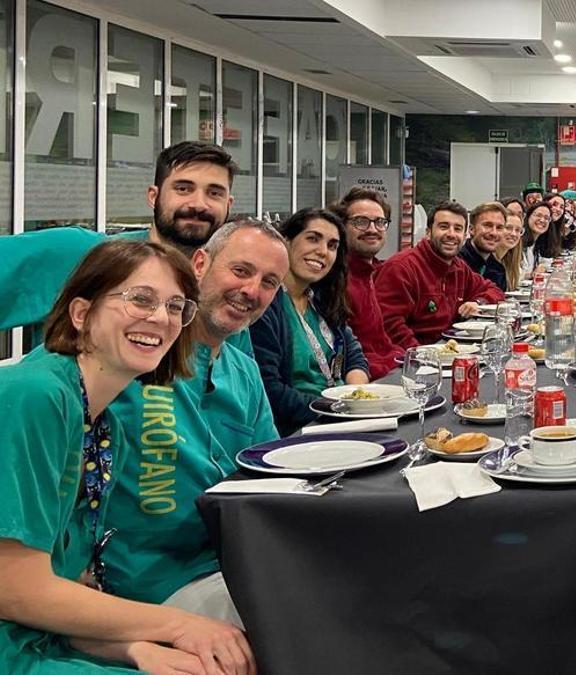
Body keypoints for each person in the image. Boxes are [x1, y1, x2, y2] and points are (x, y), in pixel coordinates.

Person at [0, 239, 257, 674]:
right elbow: (15, 590)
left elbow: (67, 591)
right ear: (81, 313)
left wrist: (137, 650)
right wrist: (180, 626)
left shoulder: (105, 430)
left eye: (175, 307)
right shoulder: (36, 397)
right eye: (140, 299)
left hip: (45, 642)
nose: (160, 318)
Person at [102, 220, 288, 629]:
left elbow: (270, 475)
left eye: (269, 282)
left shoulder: (244, 372)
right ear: (200, 264)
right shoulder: (136, 353)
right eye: (240, 271)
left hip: (231, 563)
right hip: (146, 584)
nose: (251, 291)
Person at [0, 141, 236, 334]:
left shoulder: (226, 290)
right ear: (153, 197)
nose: (199, 204)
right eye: (183, 189)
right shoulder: (82, 253)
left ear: (229, 204)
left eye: (214, 193)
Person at [250, 209, 370, 436]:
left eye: (332, 246)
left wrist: (358, 395)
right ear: (286, 241)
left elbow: (354, 354)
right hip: (300, 427)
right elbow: (270, 391)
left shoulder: (322, 298)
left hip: (343, 416)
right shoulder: (265, 304)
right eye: (313, 239)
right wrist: (337, 409)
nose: (323, 251)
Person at [375, 201, 505, 350]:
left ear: (464, 236)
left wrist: (479, 302)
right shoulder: (401, 267)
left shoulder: (459, 267)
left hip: (448, 350)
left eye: (457, 229)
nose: (451, 234)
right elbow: (389, 325)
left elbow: (495, 290)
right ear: (428, 232)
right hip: (413, 356)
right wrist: (423, 356)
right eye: (443, 227)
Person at [335, 186, 406, 380]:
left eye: (380, 222)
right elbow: (348, 358)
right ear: (341, 227)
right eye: (361, 222)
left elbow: (381, 344)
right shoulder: (336, 280)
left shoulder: (368, 274)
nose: (372, 229)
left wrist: (409, 359)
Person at [459, 201, 509, 291]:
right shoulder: (457, 262)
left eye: (499, 228)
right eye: (488, 225)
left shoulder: (498, 269)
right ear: (471, 230)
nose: (494, 233)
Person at [522, 201, 553, 276]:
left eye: (546, 218)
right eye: (538, 215)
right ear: (528, 216)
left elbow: (547, 262)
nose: (542, 220)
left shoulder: (540, 242)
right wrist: (531, 274)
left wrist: (543, 267)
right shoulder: (519, 241)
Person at [497, 210, 525, 291]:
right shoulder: (486, 259)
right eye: (508, 228)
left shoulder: (510, 259)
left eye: (518, 230)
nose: (513, 234)